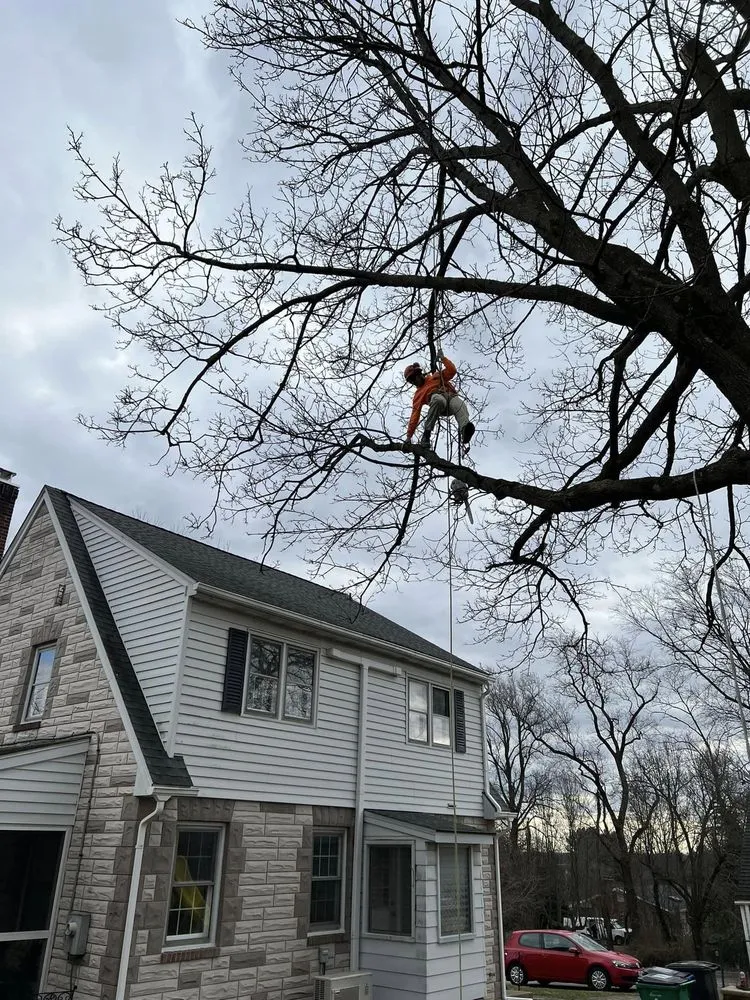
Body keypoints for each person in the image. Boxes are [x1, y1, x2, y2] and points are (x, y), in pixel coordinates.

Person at [403, 354, 475, 450]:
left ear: (419, 374)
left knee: (459, 403)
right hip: (439, 405)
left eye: (413, 379)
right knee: (438, 399)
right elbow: (415, 415)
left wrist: (443, 358)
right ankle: (426, 435)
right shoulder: (418, 395)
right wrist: (409, 437)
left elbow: (452, 371)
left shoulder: (435, 377)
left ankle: (465, 431)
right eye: (411, 382)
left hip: (450, 398)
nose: (414, 382)